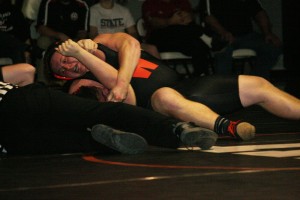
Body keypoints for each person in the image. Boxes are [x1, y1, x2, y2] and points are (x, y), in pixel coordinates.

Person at [46, 33, 300, 143]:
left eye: (66, 57)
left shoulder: (102, 41)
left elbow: (131, 45)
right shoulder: (79, 84)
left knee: (258, 84)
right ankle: (227, 127)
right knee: (165, 96)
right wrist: (82, 54)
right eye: (63, 69)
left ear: (69, 45)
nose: (69, 67)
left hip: (187, 87)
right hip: (155, 110)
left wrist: (87, 52)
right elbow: (125, 98)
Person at [0, 63, 218, 156]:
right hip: (14, 115)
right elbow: (26, 71)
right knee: (96, 115)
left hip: (11, 125)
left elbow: (27, 71)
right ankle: (173, 131)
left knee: (77, 134)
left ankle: (176, 129)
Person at [199, 0, 282, 79]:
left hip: (247, 35)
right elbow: (208, 17)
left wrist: (268, 33)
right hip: (221, 35)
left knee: (272, 47)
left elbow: (259, 13)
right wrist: (223, 32)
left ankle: (256, 80)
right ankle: (224, 86)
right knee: (223, 51)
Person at [141, 0, 211, 76]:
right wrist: (170, 21)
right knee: (182, 31)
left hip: (183, 38)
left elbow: (191, 17)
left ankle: (200, 74)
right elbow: (153, 22)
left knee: (195, 42)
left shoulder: (181, 2)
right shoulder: (150, 3)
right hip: (161, 37)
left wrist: (187, 17)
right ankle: (206, 38)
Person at [89, 0, 161, 58]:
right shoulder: (93, 10)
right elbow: (93, 34)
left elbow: (133, 32)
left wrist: (129, 42)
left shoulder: (123, 10)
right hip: (104, 44)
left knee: (152, 49)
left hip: (123, 42)